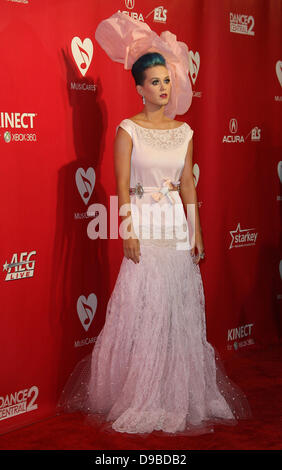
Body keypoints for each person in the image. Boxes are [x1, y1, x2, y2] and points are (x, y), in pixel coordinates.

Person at [57, 14, 251, 436]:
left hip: (176, 229)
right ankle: (143, 393)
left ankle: (178, 393)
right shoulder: (128, 130)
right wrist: (126, 229)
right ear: (140, 88)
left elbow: (187, 187)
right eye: (156, 82)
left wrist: (196, 229)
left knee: (178, 311)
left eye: (167, 80)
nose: (165, 88)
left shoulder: (184, 131)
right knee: (143, 310)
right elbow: (122, 187)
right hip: (144, 224)